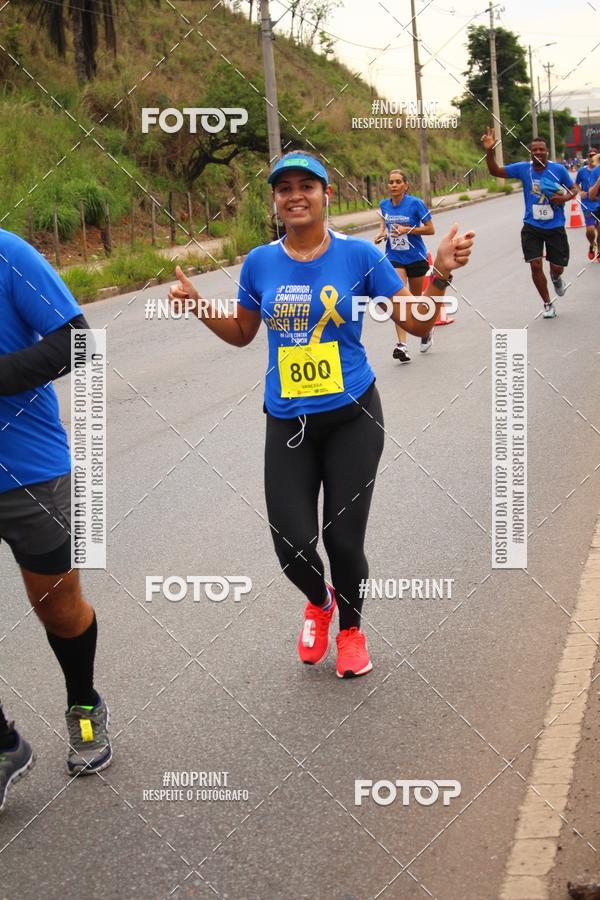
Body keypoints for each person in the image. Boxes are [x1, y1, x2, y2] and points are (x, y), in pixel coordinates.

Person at [168, 150, 475, 679]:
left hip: (353, 417)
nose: (295, 196)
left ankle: (351, 632)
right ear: (276, 201)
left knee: (343, 539)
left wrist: (440, 272)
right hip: (288, 422)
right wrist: (198, 305)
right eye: (284, 188)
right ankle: (320, 601)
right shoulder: (260, 262)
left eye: (306, 186)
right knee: (290, 544)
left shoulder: (360, 257)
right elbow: (243, 334)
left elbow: (419, 324)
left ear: (326, 195)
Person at [0, 229, 111, 813]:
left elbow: (76, 343)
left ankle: (84, 702)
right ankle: (2, 745)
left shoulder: (9, 254)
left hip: (28, 471)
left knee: (58, 608)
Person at [481, 127, 576, 319]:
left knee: (556, 267)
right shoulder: (523, 168)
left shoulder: (558, 169)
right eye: (535, 150)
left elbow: (574, 188)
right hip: (532, 225)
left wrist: (564, 198)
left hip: (555, 225)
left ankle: (556, 277)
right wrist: (489, 151)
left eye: (542, 149)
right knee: (535, 265)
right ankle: (547, 303)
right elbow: (495, 171)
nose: (538, 152)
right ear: (530, 152)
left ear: (547, 151)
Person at [374, 169, 436, 360]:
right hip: (394, 257)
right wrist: (382, 234)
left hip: (416, 257)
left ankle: (425, 332)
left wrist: (408, 230)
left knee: (415, 301)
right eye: (391, 182)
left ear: (406, 185)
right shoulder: (384, 205)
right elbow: (384, 226)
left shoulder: (415, 203)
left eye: (398, 182)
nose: (393, 185)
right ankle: (402, 345)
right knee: (400, 301)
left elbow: (431, 229)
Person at [576, 148, 600, 260]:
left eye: (594, 155)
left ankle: (599, 250)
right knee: (590, 230)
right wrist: (580, 192)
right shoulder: (582, 171)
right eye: (590, 156)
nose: (592, 158)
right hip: (587, 204)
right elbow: (575, 184)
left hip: (598, 204)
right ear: (588, 157)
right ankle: (592, 244)